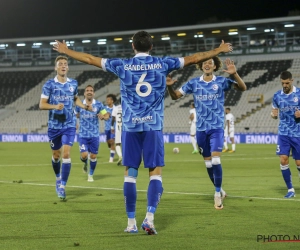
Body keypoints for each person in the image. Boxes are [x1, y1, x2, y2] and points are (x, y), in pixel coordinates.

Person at [53, 31, 233, 234]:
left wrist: (66, 51)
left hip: (130, 128)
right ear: (151, 46)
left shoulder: (122, 65)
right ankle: (149, 218)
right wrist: (218, 50)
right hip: (153, 127)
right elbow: (194, 58)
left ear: (132, 46)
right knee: (155, 173)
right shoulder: (163, 63)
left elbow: (90, 59)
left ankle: (131, 224)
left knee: (130, 174)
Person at [167, 57, 246, 209]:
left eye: (210, 62)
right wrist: (169, 87)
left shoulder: (221, 82)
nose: (207, 64)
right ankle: (220, 189)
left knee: (216, 161)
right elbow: (175, 96)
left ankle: (216, 194)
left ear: (215, 66)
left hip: (216, 127)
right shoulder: (194, 83)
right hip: (201, 129)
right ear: (200, 66)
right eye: (204, 62)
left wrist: (235, 74)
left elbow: (242, 88)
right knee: (208, 163)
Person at [39, 55, 92, 200]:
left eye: (65, 64)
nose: (63, 65)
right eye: (60, 64)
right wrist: (55, 106)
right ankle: (57, 177)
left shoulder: (73, 83)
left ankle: (62, 186)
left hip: (69, 124)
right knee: (56, 155)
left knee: (66, 154)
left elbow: (75, 99)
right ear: (56, 68)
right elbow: (42, 104)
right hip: (54, 126)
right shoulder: (49, 85)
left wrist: (84, 106)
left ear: (67, 67)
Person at [271, 71, 300, 198]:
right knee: (283, 160)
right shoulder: (277, 96)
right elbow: (273, 112)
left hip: (298, 133)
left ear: (292, 81)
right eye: (283, 83)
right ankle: (290, 190)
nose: (285, 85)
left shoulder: (299, 94)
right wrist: (273, 115)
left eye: (287, 83)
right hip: (283, 133)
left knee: (299, 163)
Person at [75, 85, 109, 182]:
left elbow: (106, 115)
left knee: (93, 156)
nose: (89, 92)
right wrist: (74, 123)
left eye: (91, 90)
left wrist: (103, 117)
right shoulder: (80, 104)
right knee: (84, 155)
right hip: (83, 135)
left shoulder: (98, 105)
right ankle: (85, 163)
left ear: (93, 93)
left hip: (94, 135)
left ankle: (90, 175)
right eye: (87, 90)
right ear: (84, 93)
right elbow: (74, 114)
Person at [105, 94, 116, 163]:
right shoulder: (104, 108)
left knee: (112, 142)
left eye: (108, 100)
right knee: (108, 142)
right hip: (107, 128)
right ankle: (112, 149)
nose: (107, 101)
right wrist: (106, 115)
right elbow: (103, 116)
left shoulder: (116, 108)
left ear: (112, 101)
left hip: (114, 128)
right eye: (107, 100)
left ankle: (111, 158)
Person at [111, 98, 123, 165]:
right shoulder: (127, 107)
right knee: (127, 143)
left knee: (118, 143)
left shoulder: (115, 108)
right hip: (126, 127)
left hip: (118, 127)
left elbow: (113, 118)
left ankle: (120, 156)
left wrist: (112, 127)